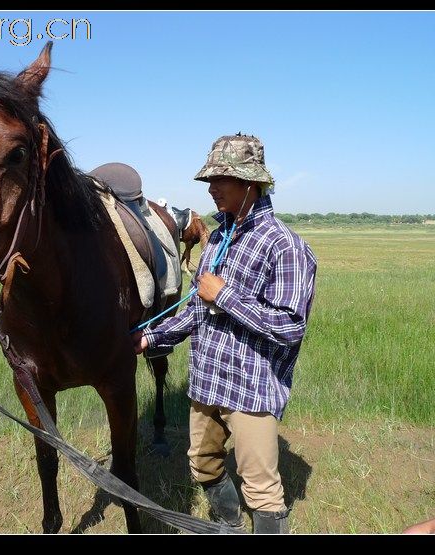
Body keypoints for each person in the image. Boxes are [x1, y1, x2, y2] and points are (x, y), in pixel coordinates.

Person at [132, 133, 317, 534]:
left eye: (221, 180)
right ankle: (227, 523)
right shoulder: (215, 239)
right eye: (209, 181)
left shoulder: (285, 246)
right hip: (207, 381)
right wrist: (150, 339)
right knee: (203, 464)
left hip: (251, 388)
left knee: (262, 490)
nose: (212, 189)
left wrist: (226, 295)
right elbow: (197, 310)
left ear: (251, 184)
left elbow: (289, 327)